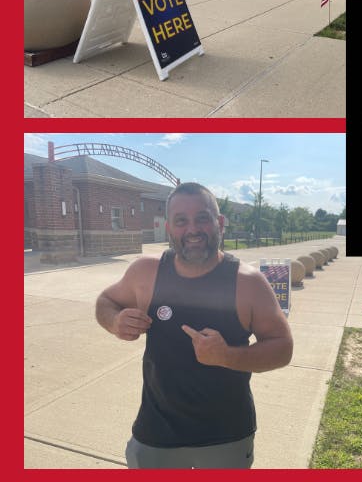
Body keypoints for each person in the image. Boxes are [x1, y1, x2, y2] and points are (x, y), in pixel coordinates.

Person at [95, 182, 293, 469]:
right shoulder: (145, 272)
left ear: (219, 223)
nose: (192, 229)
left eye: (202, 218)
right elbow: (105, 301)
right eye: (181, 221)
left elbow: (283, 348)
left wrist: (227, 356)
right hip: (155, 432)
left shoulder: (248, 283)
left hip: (226, 437)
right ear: (169, 228)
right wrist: (115, 321)